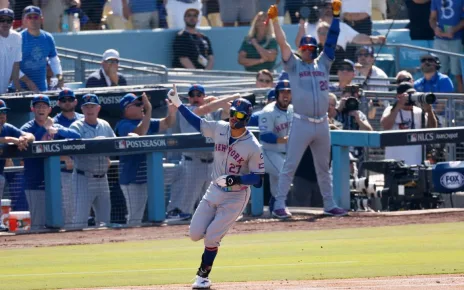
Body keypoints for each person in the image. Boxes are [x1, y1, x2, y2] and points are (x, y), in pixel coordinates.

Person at [167, 84, 264, 289]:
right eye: (231, 112)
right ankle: (214, 237)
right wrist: (179, 104)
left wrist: (235, 180)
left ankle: (202, 276)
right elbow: (198, 123)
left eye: (237, 114)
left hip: (235, 196)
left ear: (246, 118)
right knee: (194, 234)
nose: (232, 117)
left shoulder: (253, 145)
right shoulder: (220, 128)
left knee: (211, 237)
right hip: (214, 189)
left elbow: (257, 179)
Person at [268, 0, 347, 219]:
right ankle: (279, 204)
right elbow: (283, 44)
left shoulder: (323, 63)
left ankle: (329, 204)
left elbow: (331, 40)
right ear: (300, 49)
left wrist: (337, 17)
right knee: (290, 164)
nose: (308, 52)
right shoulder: (294, 65)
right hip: (302, 121)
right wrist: (275, 21)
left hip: (322, 122)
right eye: (305, 48)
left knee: (323, 168)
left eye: (312, 48)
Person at [166, 84, 240, 220]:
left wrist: (220, 100)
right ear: (188, 98)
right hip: (193, 160)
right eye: (192, 95)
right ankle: (176, 217)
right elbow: (205, 108)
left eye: (199, 95)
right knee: (184, 207)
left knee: (209, 203)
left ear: (203, 96)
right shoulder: (186, 110)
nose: (195, 98)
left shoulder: (211, 114)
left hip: (210, 161)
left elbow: (228, 111)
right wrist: (232, 97)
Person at [20, 95, 81, 230]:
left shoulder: (56, 126)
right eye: (37, 106)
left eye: (44, 106)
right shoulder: (27, 127)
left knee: (59, 222)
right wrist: (44, 129)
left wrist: (59, 130)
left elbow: (77, 136)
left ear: (49, 109)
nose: (41, 109)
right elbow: (34, 148)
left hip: (54, 183)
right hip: (34, 182)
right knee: (38, 224)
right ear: (32, 109)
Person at [115, 92, 177, 225]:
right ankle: (129, 242)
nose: (141, 105)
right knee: (135, 216)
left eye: (141, 103)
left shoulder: (146, 121)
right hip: (131, 178)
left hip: (148, 175)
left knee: (181, 171)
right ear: (126, 109)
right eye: (137, 104)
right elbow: (140, 133)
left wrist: (171, 113)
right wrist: (149, 110)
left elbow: (167, 123)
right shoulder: (123, 124)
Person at [69, 94, 115, 228]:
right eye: (86, 106)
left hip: (102, 178)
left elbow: (114, 145)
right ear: (82, 109)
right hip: (83, 177)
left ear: (98, 108)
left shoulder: (105, 125)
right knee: (80, 220)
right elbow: (72, 150)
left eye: (93, 106)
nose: (90, 109)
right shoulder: (76, 126)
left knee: (105, 221)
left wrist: (107, 155)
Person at [380, 82, 438, 165]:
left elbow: (432, 130)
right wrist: (398, 106)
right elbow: (385, 126)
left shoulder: (419, 111)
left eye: (413, 94)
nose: (411, 98)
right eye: (408, 95)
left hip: (416, 161)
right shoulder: (391, 110)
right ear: (399, 96)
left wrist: (429, 111)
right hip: (394, 161)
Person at [258, 80, 293, 216]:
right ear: (277, 94)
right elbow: (265, 136)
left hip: (284, 153)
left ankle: (275, 205)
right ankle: (279, 207)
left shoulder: (292, 110)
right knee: (284, 175)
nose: (286, 95)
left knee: (278, 182)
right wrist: (285, 139)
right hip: (268, 152)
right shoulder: (268, 111)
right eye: (283, 92)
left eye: (288, 92)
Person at [53, 88, 83, 228]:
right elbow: (49, 147)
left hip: (85, 170)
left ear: (75, 101)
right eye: (63, 100)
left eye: (70, 99)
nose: (67, 102)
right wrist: (63, 156)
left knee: (84, 208)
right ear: (59, 103)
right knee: (70, 210)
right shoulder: (54, 122)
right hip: (65, 172)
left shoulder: (83, 119)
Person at [19, 6, 64, 92]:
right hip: (20, 89)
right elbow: (13, 66)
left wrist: (60, 77)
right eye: (29, 17)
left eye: (36, 17)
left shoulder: (48, 37)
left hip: (42, 88)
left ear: (41, 19)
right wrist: (28, 82)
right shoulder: (18, 38)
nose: (33, 20)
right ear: (24, 20)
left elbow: (54, 60)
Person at [0, 99, 35, 200]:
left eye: (3, 112)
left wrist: (23, 139)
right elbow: (8, 139)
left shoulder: (7, 128)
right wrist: (10, 139)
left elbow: (31, 136)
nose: (1, 115)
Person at [430, 0, 464, 92]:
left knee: (458, 75)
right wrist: (435, 28)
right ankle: (441, 103)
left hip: (457, 39)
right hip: (439, 40)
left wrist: (454, 29)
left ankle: (461, 101)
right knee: (440, 73)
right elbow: (432, 18)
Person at [0, 8, 21, 94]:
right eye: (2, 20)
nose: (5, 23)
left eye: (8, 20)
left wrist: (17, 87)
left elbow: (16, 64)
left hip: (4, 90)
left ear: (13, 22)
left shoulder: (17, 37)